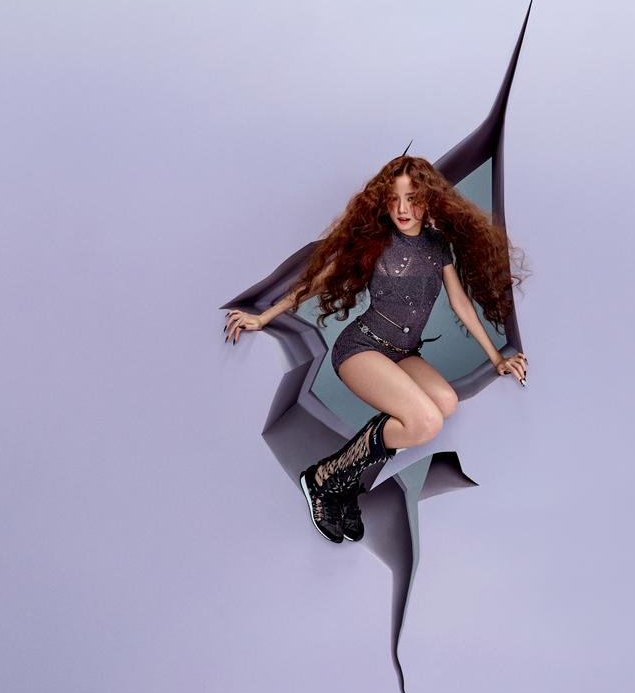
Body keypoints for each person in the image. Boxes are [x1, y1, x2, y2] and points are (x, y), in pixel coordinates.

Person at [223, 154, 528, 543]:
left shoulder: (438, 246)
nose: (402, 209)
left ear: (430, 200)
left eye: (412, 198)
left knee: (446, 403)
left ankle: (347, 485)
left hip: (403, 353)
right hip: (362, 347)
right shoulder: (376, 241)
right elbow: (317, 280)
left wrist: (497, 358)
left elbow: (460, 304)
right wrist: (264, 317)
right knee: (425, 423)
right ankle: (324, 478)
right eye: (394, 198)